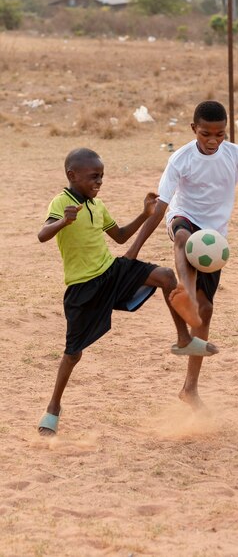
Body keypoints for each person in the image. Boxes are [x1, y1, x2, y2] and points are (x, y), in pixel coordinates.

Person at [125, 100, 238, 410]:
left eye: (219, 134)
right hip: (184, 218)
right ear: (193, 130)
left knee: (206, 311)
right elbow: (160, 207)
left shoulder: (236, 156)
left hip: (214, 241)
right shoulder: (180, 159)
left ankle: (190, 388)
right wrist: (133, 250)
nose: (212, 141)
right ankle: (184, 290)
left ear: (226, 132)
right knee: (183, 236)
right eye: (205, 134)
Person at [37, 147, 217, 436]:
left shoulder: (98, 205)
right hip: (83, 288)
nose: (99, 182)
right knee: (73, 354)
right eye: (93, 177)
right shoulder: (61, 203)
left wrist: (145, 214)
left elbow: (119, 236)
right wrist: (64, 221)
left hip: (111, 271)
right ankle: (53, 408)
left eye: (102, 177)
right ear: (72, 175)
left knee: (165, 276)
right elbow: (42, 235)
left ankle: (183, 338)